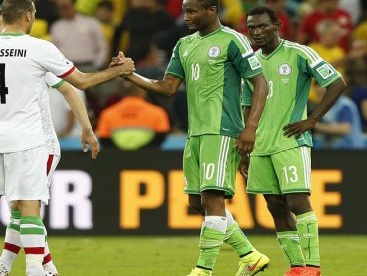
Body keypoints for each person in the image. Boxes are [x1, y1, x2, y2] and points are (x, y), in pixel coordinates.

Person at [0, 1, 134, 276]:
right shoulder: (39, 49)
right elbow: (79, 83)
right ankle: (37, 269)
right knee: (29, 207)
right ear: (28, 16)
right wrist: (118, 71)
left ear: (4, 18)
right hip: (28, 140)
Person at [112, 1, 269, 275]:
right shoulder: (184, 45)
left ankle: (203, 269)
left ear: (211, 10)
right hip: (195, 133)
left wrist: (250, 127)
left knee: (212, 200)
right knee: (196, 203)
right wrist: (130, 74)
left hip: (221, 130)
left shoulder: (234, 40)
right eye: (185, 11)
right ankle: (249, 255)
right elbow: (167, 88)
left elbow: (260, 83)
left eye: (192, 11)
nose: (186, 17)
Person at [0, 8, 75, 276]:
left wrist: (87, 128)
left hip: (39, 143)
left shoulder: (32, 55)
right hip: (12, 141)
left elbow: (71, 86)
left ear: (9, 25)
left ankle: (21, 265)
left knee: (25, 206)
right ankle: (41, 266)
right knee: (20, 206)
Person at [242, 6, 348, 276]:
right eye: (252, 27)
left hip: (290, 140)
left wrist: (312, 120)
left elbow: (336, 83)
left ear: (277, 25)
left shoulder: (299, 52)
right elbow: (246, 105)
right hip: (260, 146)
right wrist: (245, 147)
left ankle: (313, 266)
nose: (257, 32)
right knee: (275, 206)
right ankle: (297, 267)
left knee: (297, 202)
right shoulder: (251, 63)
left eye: (263, 26)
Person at [96, 80, 170, 150]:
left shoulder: (107, 113)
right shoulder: (157, 112)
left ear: (122, 93)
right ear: (142, 92)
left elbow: (104, 138)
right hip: (147, 158)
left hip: (118, 159)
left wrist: (120, 153)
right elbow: (161, 137)